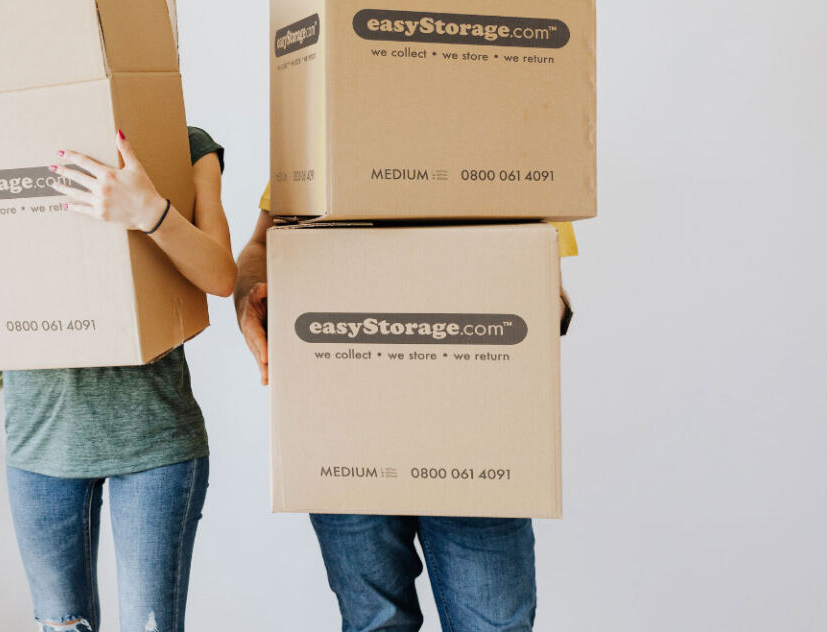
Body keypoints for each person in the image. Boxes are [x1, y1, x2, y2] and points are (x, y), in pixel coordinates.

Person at [0, 128, 236, 632]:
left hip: (155, 442)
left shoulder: (184, 143)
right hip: (42, 444)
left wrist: (150, 213)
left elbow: (221, 276)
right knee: (60, 626)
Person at [234, 184, 576, 632]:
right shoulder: (325, 126)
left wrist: (531, 314)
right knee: (376, 624)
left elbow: (541, 263)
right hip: (345, 420)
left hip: (475, 429)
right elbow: (265, 240)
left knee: (496, 626)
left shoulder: (509, 131)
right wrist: (247, 301)